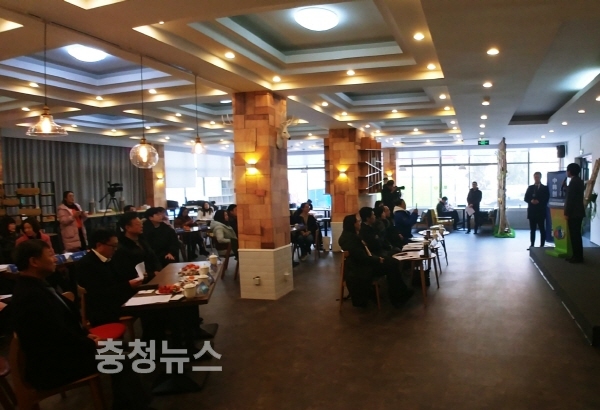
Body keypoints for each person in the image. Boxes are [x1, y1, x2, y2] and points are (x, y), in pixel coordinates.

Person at [11, 240, 152, 409]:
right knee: (122, 358)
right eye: (50, 255)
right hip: (55, 366)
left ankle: (128, 404)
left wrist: (87, 335)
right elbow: (54, 337)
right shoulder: (29, 296)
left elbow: (63, 326)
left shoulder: (37, 286)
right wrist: (89, 343)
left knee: (125, 347)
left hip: (66, 353)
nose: (55, 259)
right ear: (34, 261)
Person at [338, 214, 413, 308]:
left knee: (392, 261)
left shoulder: (351, 236)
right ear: (353, 224)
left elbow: (364, 254)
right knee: (391, 264)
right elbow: (361, 257)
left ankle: (399, 294)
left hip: (364, 264)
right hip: (361, 269)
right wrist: (377, 259)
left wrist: (377, 258)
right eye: (358, 221)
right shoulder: (349, 239)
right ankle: (398, 296)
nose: (360, 223)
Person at [76, 229, 141, 326]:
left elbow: (118, 279)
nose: (115, 249)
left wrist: (133, 278)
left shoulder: (108, 258)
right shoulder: (86, 264)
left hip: (117, 301)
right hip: (104, 309)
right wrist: (128, 285)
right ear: (99, 245)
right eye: (113, 246)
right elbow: (100, 294)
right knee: (150, 310)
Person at [112, 212, 161, 282]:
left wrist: (158, 270)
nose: (141, 226)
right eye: (138, 224)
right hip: (139, 282)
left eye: (141, 223)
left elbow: (153, 257)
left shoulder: (142, 240)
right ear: (127, 227)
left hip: (154, 277)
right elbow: (129, 270)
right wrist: (151, 274)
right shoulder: (122, 247)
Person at [564, 163, 585, 263]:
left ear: (570, 171)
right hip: (579, 212)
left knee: (574, 235)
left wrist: (567, 213)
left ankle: (577, 257)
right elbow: (573, 193)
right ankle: (577, 255)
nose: (566, 172)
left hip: (573, 213)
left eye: (567, 170)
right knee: (577, 235)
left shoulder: (573, 182)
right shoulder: (579, 181)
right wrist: (566, 187)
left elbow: (570, 200)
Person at [524, 172, 550, 250]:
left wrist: (539, 201)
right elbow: (526, 198)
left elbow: (546, 198)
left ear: (540, 178)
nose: (536, 179)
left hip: (541, 212)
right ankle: (532, 245)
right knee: (532, 230)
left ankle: (542, 245)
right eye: (535, 177)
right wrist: (531, 201)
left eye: (538, 177)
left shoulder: (545, 188)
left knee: (542, 229)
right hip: (532, 212)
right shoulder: (530, 188)